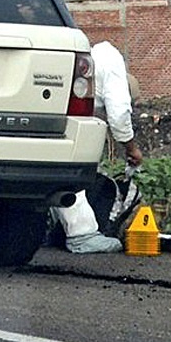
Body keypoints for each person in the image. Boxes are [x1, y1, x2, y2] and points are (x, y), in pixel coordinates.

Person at [53, 40, 143, 253]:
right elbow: (119, 114)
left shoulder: (95, 59)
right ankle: (81, 234)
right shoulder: (112, 63)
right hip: (61, 118)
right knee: (70, 168)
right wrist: (131, 148)